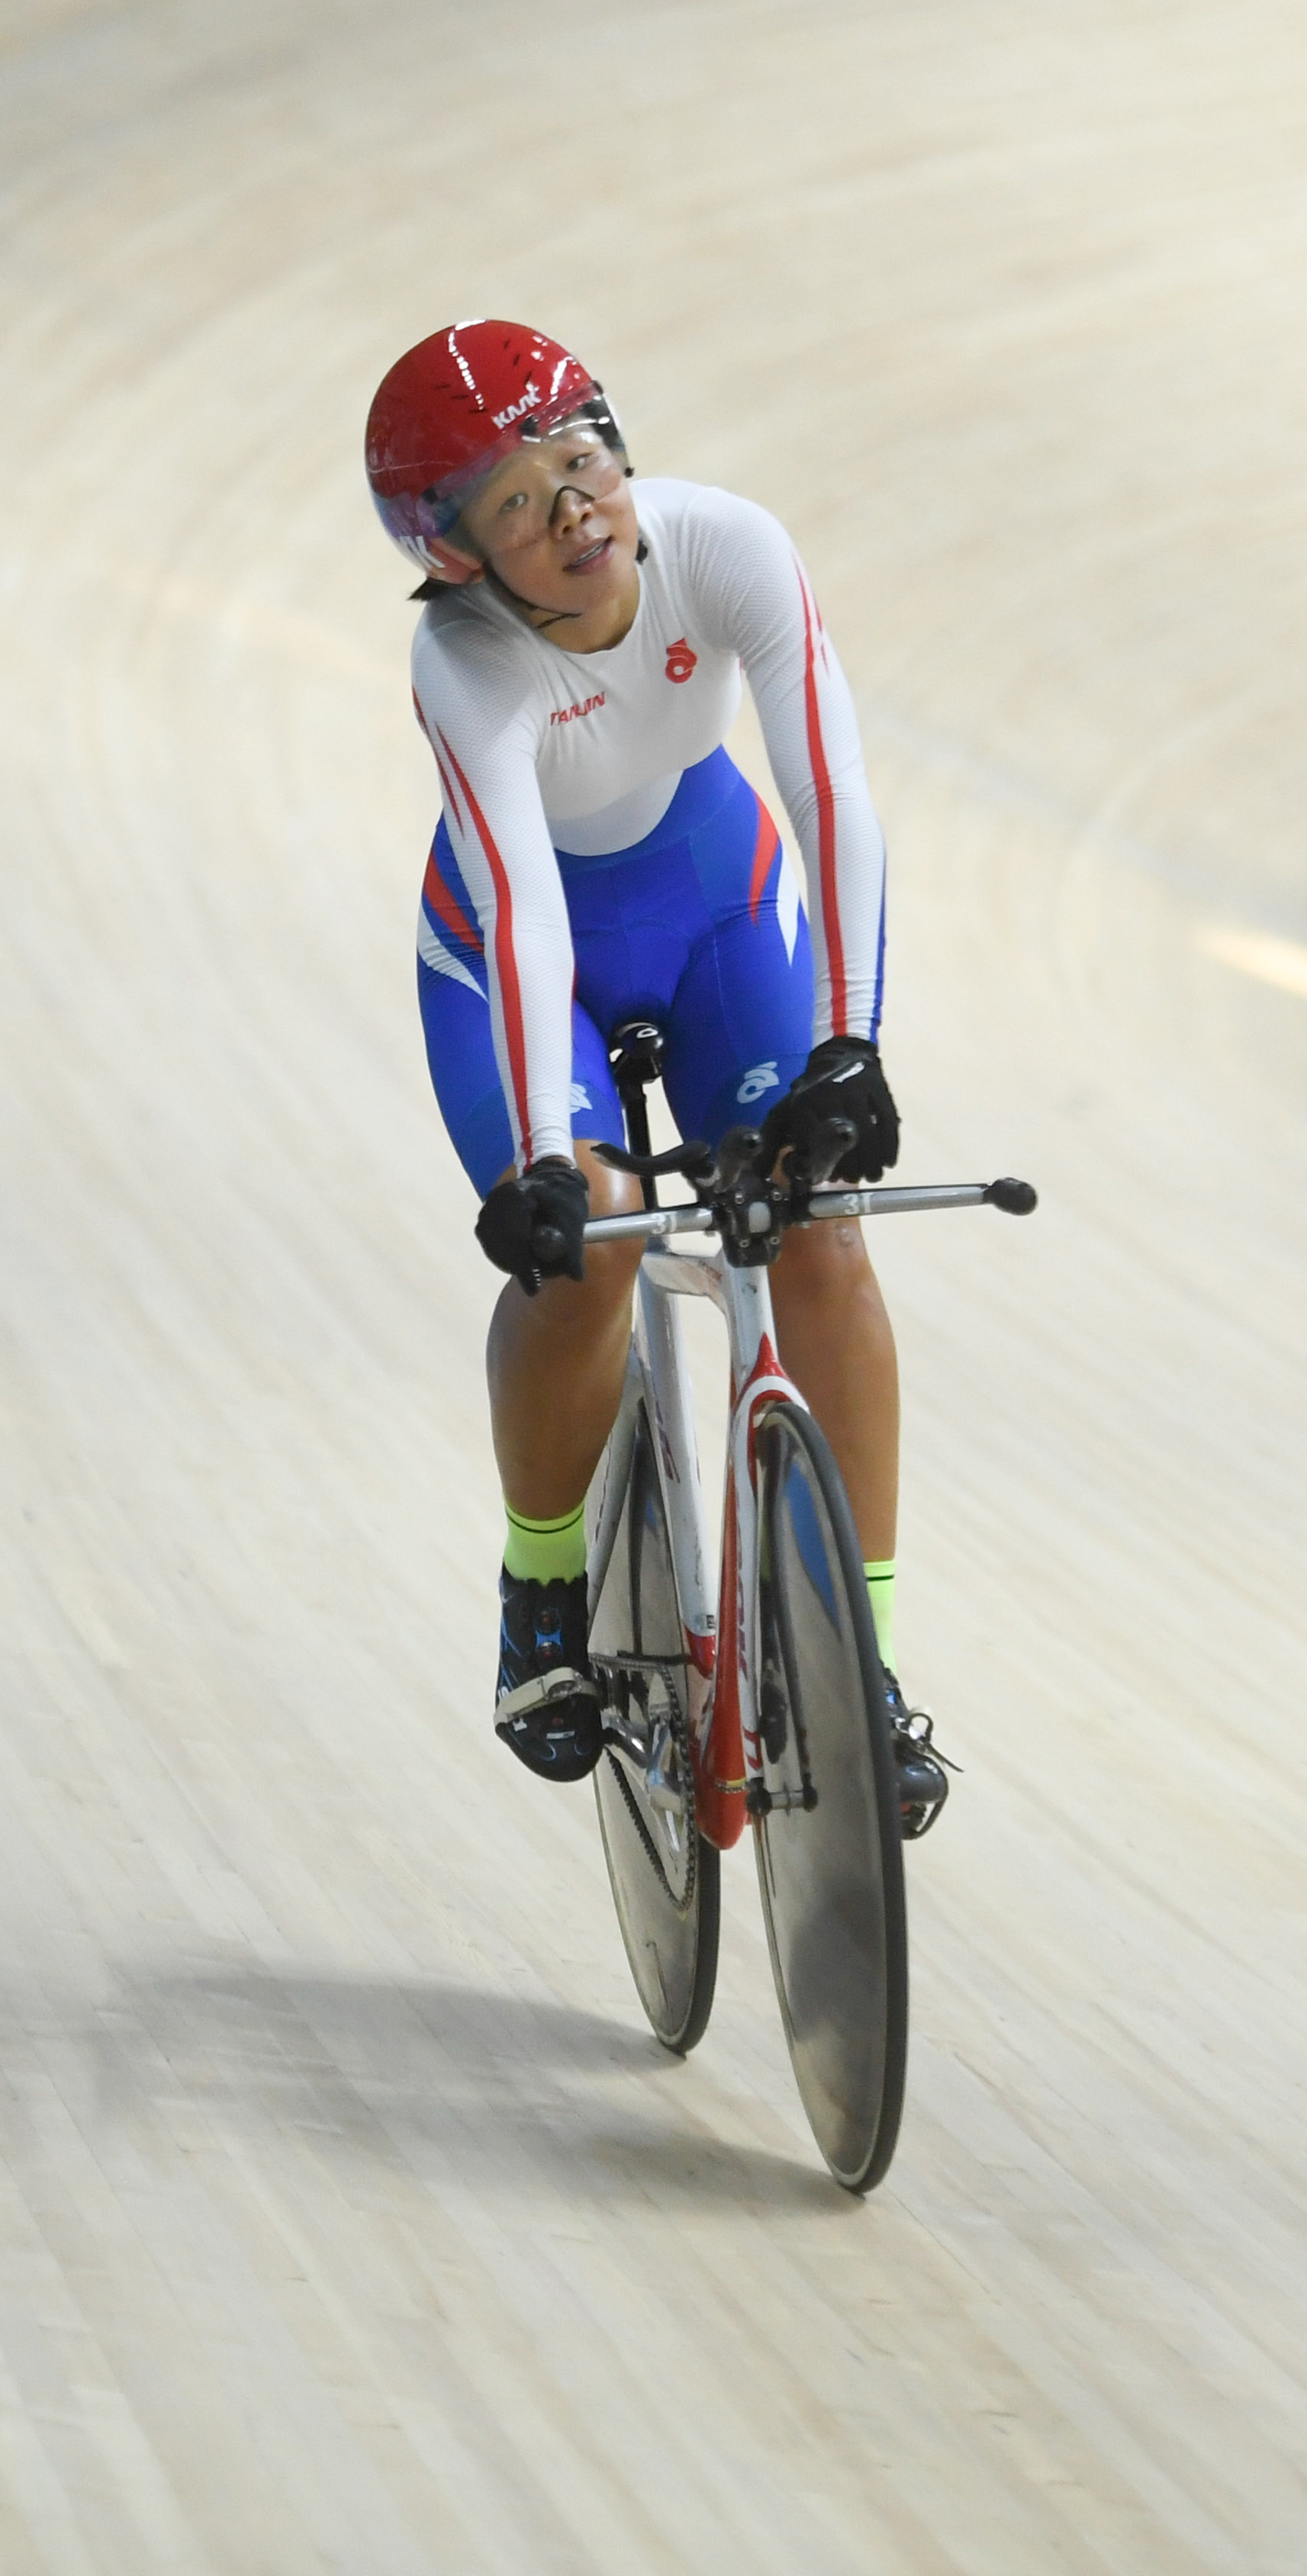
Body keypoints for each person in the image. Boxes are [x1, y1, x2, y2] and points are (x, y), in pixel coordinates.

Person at [369, 320, 950, 1829]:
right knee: (595, 1238)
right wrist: (547, 1162)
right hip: (520, 960)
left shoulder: (729, 543)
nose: (573, 511)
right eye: (515, 502)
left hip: (712, 906)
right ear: (458, 566)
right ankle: (545, 1583)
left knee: (818, 1219)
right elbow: (522, 912)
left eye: (578, 456)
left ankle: (867, 1667)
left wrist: (850, 1042)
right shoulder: (462, 664)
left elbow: (829, 788)